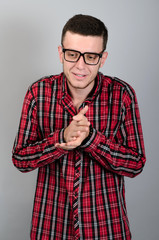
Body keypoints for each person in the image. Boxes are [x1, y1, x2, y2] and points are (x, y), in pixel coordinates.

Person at [12, 14, 146, 240]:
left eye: (91, 56)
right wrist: (61, 138)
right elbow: (20, 159)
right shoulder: (38, 93)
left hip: (106, 228)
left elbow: (136, 164)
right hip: (51, 226)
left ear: (102, 59)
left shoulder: (123, 95)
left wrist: (92, 139)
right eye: (72, 54)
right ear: (60, 53)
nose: (80, 65)